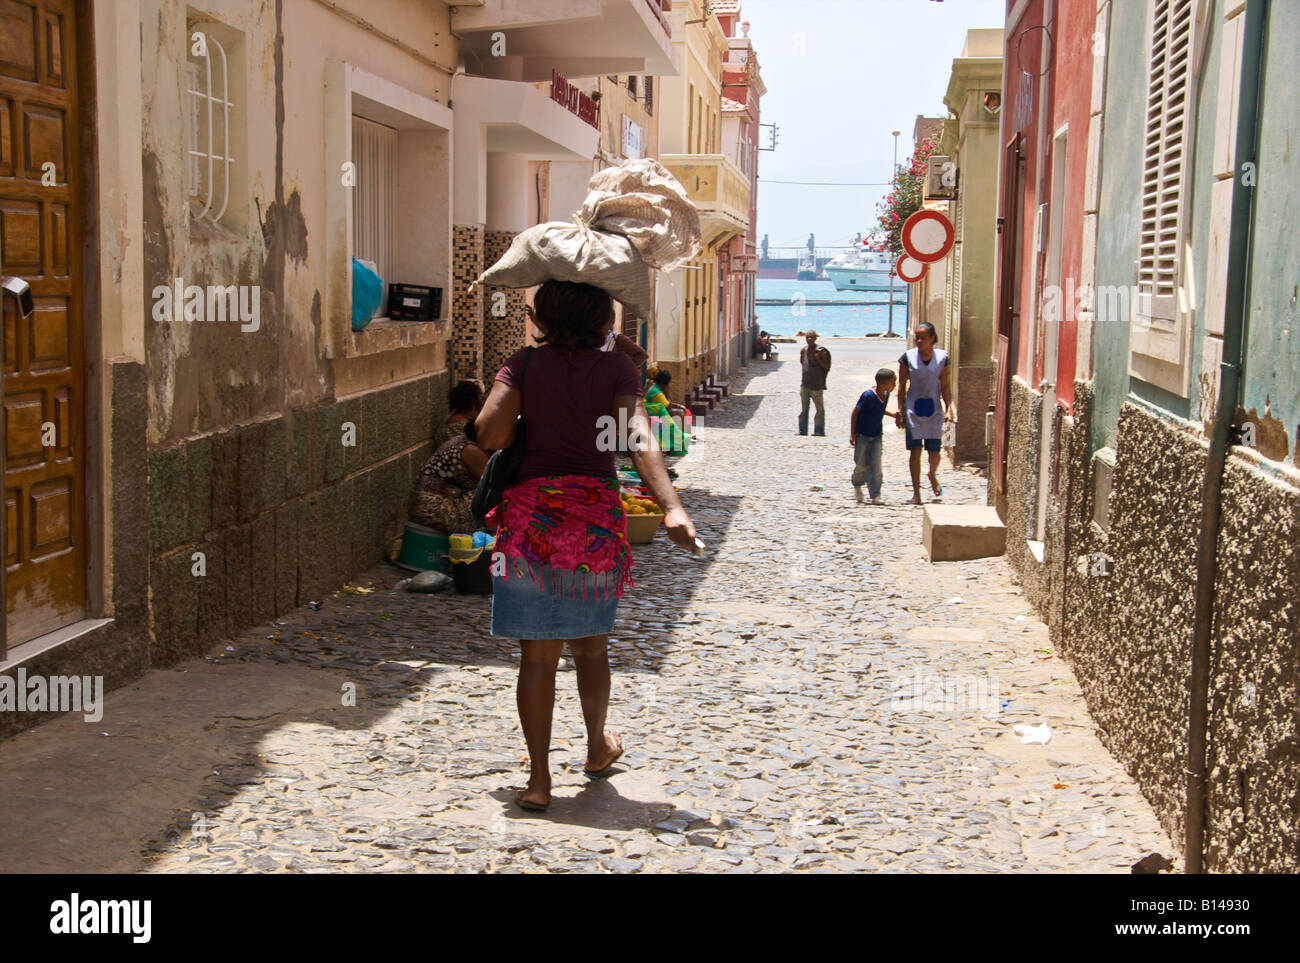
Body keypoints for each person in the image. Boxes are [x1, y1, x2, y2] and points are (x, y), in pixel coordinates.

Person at [475, 280, 697, 813]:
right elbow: (637, 436)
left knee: (537, 655)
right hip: (594, 520)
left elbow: (488, 434)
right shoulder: (619, 369)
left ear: (543, 315)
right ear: (602, 315)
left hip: (532, 520)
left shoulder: (524, 364)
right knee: (592, 647)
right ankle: (597, 745)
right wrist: (671, 506)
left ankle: (539, 779)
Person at [897, 321, 956, 504]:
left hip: (934, 409)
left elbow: (945, 386)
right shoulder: (907, 358)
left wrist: (949, 409)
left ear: (932, 338)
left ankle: (931, 474)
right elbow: (901, 386)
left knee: (934, 451)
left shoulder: (942, 358)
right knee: (915, 451)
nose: (919, 341)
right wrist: (900, 409)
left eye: (923, 338)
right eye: (917, 337)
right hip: (913, 408)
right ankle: (916, 493)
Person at [410, 419, 489, 533]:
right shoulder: (471, 450)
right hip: (435, 509)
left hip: (427, 505)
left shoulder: (463, 440)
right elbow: (491, 486)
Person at [850, 368, 903, 504]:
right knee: (861, 464)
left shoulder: (886, 395)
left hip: (876, 435)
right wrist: (853, 434)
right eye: (893, 383)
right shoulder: (868, 395)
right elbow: (855, 413)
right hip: (862, 435)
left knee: (876, 465)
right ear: (884, 384)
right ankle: (857, 485)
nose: (895, 386)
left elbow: (879, 409)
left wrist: (893, 415)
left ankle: (875, 495)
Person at [643, 367, 692, 454]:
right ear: (665, 383)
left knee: (682, 411)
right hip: (651, 413)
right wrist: (668, 392)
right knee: (678, 413)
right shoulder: (656, 392)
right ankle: (679, 439)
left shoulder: (655, 388)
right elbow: (667, 406)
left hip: (652, 412)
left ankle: (681, 437)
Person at [798, 330, 831, 435]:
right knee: (804, 410)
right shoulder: (804, 351)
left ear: (815, 338)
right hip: (805, 384)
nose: (809, 339)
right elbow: (803, 364)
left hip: (817, 385)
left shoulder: (821, 351)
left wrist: (818, 358)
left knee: (819, 410)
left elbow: (826, 366)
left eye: (811, 337)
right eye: (807, 337)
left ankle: (819, 431)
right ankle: (802, 431)